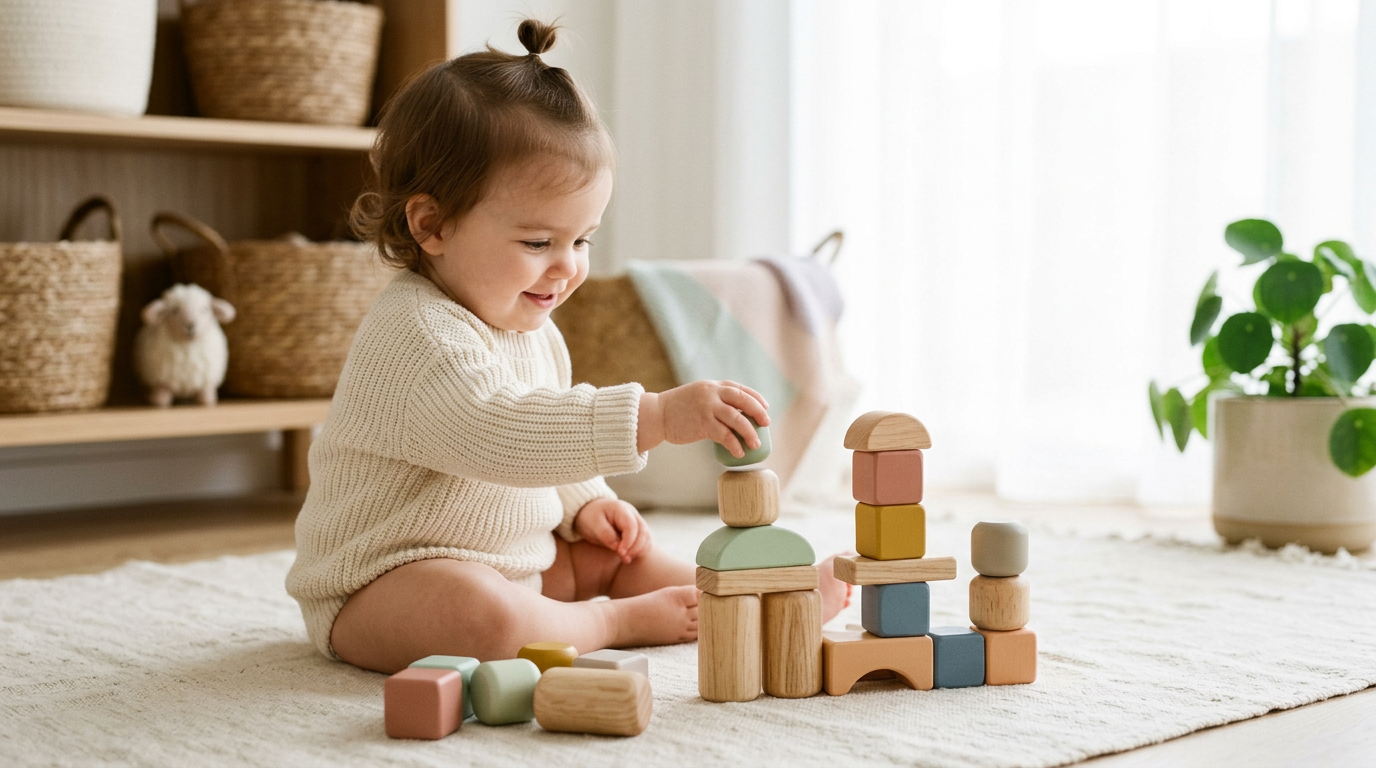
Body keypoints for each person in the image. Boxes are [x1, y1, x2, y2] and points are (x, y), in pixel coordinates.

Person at [285, 19, 846, 674]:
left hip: (517, 562)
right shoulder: (416, 333)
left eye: (581, 240)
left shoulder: (532, 328)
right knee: (484, 617)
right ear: (431, 224)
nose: (567, 267)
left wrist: (587, 505)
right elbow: (499, 430)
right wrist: (656, 418)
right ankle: (609, 623)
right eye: (538, 243)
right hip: (382, 586)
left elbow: (551, 421)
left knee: (621, 554)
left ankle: (748, 596)